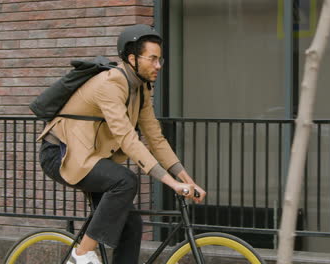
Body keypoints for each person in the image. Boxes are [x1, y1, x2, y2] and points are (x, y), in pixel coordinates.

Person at [37, 24, 206, 264]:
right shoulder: (111, 83)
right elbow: (128, 139)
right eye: (153, 59)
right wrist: (171, 183)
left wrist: (187, 181)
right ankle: (81, 254)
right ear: (132, 59)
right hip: (60, 154)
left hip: (91, 159)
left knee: (132, 224)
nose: (158, 65)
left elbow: (155, 139)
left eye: (161, 59)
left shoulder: (142, 90)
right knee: (125, 181)